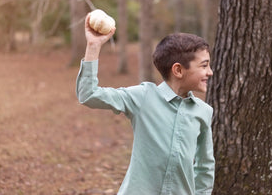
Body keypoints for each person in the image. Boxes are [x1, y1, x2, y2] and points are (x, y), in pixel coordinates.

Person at [76, 12, 215, 195]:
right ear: (178, 70)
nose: (210, 72)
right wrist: (93, 46)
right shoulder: (142, 97)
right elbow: (89, 95)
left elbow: (205, 167)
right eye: (204, 66)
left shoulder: (204, 112)